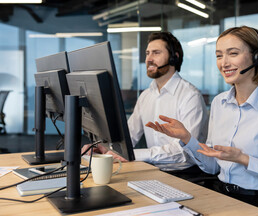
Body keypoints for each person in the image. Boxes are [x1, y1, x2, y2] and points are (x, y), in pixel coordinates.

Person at [146, 26, 258, 216]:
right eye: (219, 55)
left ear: (257, 57)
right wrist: (187, 139)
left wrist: (244, 160)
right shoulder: (219, 103)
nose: (224, 63)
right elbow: (212, 166)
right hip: (222, 197)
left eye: (233, 54)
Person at [82, 32, 209, 178]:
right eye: (147, 53)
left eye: (156, 53)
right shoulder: (146, 95)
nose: (149, 59)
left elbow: (185, 153)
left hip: (184, 174)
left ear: (174, 57)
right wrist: (104, 148)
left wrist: (133, 155)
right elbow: (129, 135)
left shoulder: (190, 96)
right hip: (152, 169)